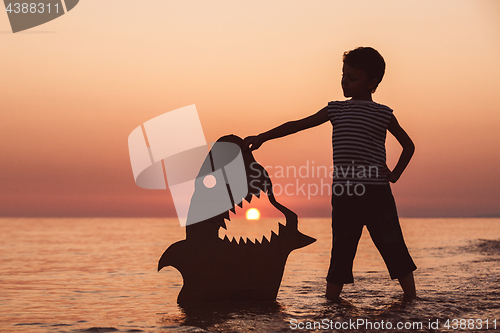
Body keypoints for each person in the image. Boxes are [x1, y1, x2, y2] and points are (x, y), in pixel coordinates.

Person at [242, 47, 417, 301]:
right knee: (341, 251)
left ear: (372, 83)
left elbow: (408, 146)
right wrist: (263, 137)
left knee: (393, 246)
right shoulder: (336, 109)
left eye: (353, 78)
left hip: (378, 193)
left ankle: (412, 300)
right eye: (344, 75)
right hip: (345, 193)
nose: (345, 81)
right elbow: (298, 124)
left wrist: (395, 174)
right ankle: (331, 305)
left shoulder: (383, 113)